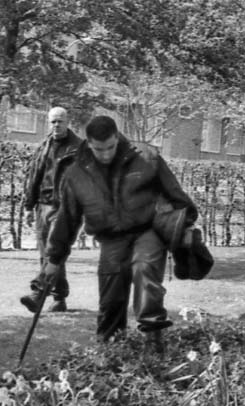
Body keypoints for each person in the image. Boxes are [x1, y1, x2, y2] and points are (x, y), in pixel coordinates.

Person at [42, 115, 198, 352]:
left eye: (110, 147)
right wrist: (54, 259)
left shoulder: (147, 157)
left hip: (148, 231)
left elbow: (179, 198)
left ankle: (153, 346)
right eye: (98, 149)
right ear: (89, 143)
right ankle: (109, 351)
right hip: (111, 238)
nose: (105, 154)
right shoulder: (76, 172)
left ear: (118, 137)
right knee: (111, 298)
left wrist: (186, 226)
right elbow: (67, 219)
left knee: (144, 272)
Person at [19, 107, 82, 313]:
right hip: (42, 206)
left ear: (67, 122)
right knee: (47, 255)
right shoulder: (43, 146)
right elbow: (34, 178)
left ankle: (39, 295)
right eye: (53, 121)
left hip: (65, 208)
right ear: (49, 123)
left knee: (54, 251)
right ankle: (59, 298)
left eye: (60, 121)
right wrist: (29, 207)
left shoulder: (79, 148)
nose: (56, 125)